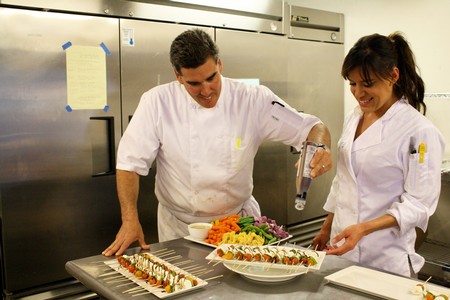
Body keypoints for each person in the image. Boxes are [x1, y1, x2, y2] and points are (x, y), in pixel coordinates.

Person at [103, 28, 332, 256]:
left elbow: (312, 127)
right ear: (178, 77)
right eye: (194, 84)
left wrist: (320, 147)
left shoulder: (252, 99)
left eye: (212, 78)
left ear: (219, 65)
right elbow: (129, 164)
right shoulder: (157, 102)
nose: (206, 91)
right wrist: (130, 220)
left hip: (240, 226)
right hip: (180, 227)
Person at [312, 32, 445, 277]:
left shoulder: (419, 131)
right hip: (342, 247)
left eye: (367, 83)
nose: (358, 93)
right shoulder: (355, 118)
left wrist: (364, 228)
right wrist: (326, 228)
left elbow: (419, 204)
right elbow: (343, 180)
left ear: (393, 76)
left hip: (385, 256)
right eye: (352, 83)